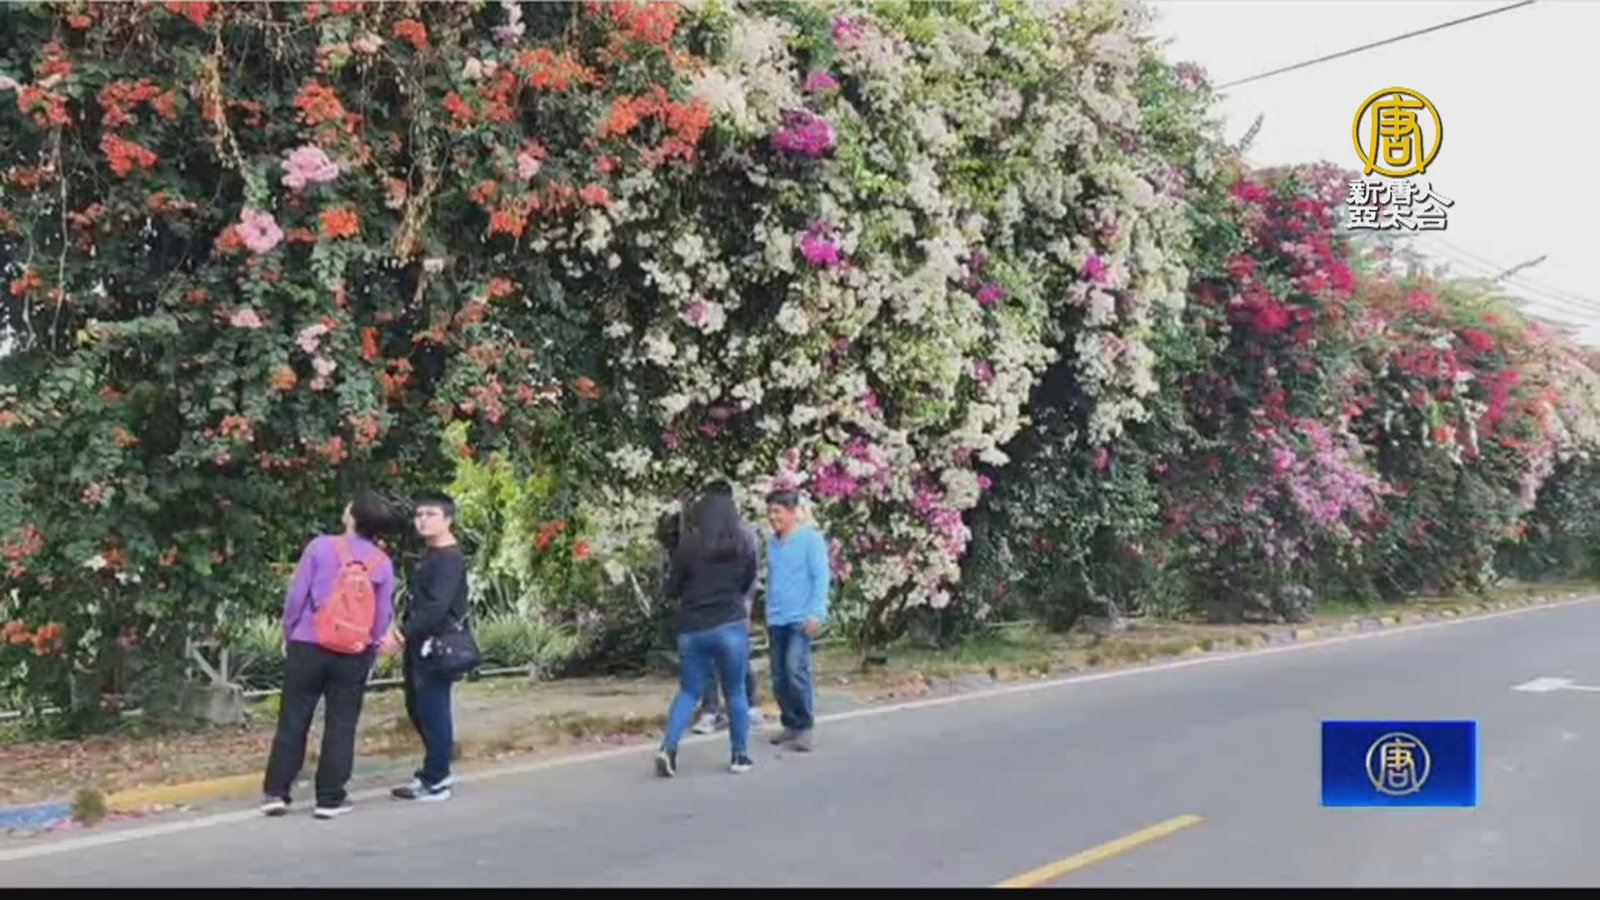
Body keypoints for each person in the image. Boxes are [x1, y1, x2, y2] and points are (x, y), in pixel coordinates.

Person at [261, 491, 396, 820]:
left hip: (308, 643)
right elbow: (381, 616)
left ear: (352, 516)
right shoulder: (382, 563)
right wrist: (372, 645)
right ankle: (330, 799)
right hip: (353, 651)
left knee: (294, 718)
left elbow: (296, 597)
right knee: (341, 724)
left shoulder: (320, 547)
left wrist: (290, 632)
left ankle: (277, 792)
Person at [655, 491, 759, 777]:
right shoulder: (742, 544)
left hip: (693, 629)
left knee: (689, 691)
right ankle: (739, 756)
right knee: (736, 692)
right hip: (730, 626)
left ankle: (669, 748)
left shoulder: (688, 545)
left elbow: (672, 589)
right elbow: (749, 580)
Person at [390, 491, 470, 803]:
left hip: (436, 646)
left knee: (432, 710)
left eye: (431, 515)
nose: (422, 520)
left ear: (447, 520)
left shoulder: (449, 558)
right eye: (419, 514)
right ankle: (437, 768)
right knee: (418, 707)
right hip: (421, 643)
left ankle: (437, 779)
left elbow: (436, 608)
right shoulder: (432, 554)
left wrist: (401, 635)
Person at [691, 480, 761, 735]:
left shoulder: (745, 533)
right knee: (708, 660)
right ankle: (711, 710)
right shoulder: (700, 537)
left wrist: (745, 602)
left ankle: (749, 705)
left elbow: (752, 574)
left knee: (738, 655)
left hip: (734, 605)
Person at [764, 489, 830, 753]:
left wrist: (817, 612)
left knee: (795, 669)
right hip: (777, 617)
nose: (772, 517)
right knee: (779, 676)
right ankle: (790, 723)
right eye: (769, 512)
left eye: (777, 511)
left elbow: (821, 577)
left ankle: (805, 725)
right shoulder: (772, 543)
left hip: (801, 619)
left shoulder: (810, 540)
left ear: (792, 512)